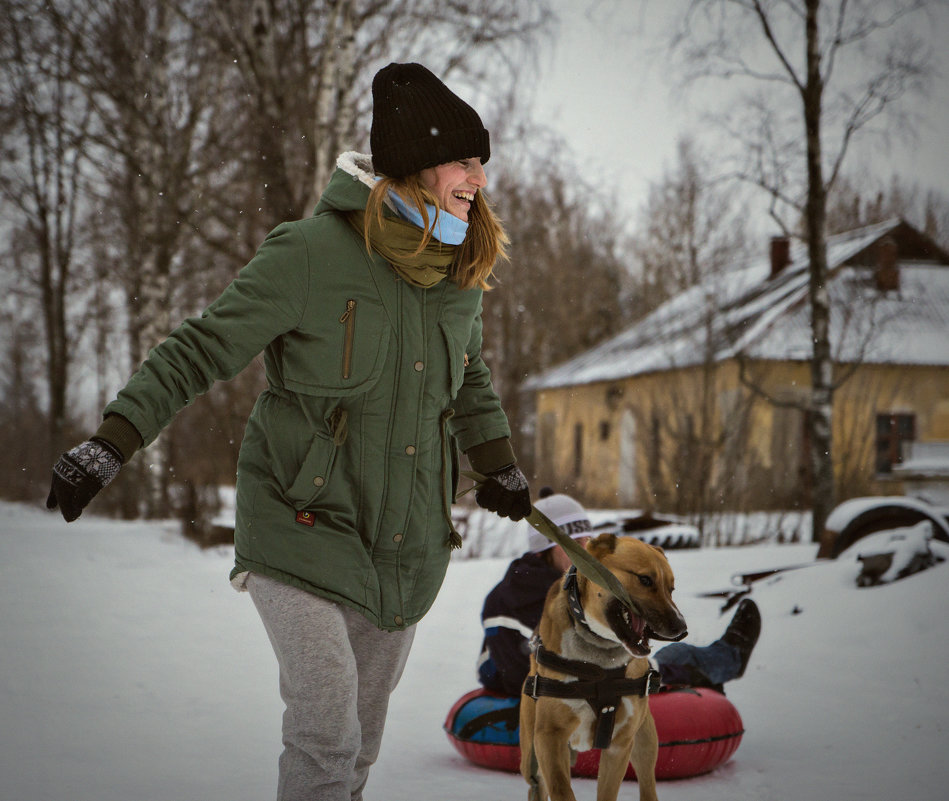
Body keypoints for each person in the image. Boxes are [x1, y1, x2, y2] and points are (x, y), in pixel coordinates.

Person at [46, 62, 532, 801]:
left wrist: (494, 463)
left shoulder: (455, 269)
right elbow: (201, 347)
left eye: (481, 163)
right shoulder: (310, 252)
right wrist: (113, 439)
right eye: (464, 162)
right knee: (326, 731)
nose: (480, 179)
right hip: (298, 521)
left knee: (359, 745)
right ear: (412, 165)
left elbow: (467, 377)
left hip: (401, 544)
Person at [477, 492, 761, 697]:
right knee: (678, 656)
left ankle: (708, 670)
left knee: (655, 658)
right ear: (544, 547)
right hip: (562, 691)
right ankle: (729, 658)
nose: (583, 550)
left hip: (538, 682)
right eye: (572, 543)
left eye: (586, 540)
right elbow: (543, 672)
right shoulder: (541, 596)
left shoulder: (524, 585)